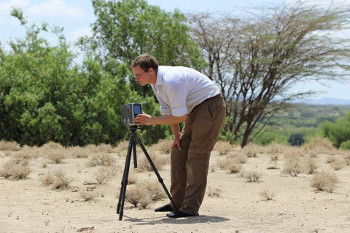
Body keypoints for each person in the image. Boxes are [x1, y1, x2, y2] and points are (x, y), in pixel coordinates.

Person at [131, 53, 226, 218]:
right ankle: (177, 202)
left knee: (197, 156)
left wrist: (150, 120)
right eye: (134, 76)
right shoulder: (156, 84)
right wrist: (177, 136)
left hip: (210, 106)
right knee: (178, 151)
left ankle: (189, 208)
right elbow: (170, 113)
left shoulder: (171, 81)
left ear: (150, 70)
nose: (136, 79)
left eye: (138, 75)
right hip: (195, 110)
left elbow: (180, 117)